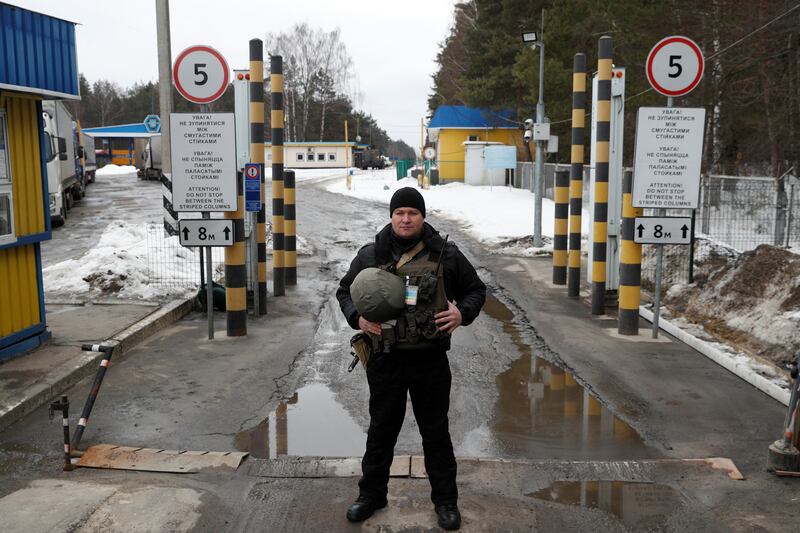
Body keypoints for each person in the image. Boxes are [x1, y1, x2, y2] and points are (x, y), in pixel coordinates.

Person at [336, 187, 486, 530]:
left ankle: (446, 501)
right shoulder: (372, 254)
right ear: (391, 216)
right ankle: (371, 495)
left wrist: (462, 314)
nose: (406, 219)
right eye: (400, 212)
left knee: (435, 433)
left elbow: (477, 290)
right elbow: (345, 291)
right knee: (381, 430)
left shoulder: (445, 254)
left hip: (429, 360)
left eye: (412, 213)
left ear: (422, 216)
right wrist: (357, 318)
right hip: (385, 358)